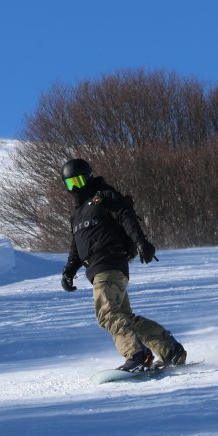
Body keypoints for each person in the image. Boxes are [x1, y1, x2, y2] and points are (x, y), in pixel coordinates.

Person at [59, 158, 186, 372]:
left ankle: (137, 354)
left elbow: (126, 216)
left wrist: (141, 242)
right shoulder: (76, 215)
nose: (76, 188)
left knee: (107, 314)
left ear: (89, 177)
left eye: (79, 181)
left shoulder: (103, 196)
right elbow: (77, 246)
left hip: (108, 264)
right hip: (103, 269)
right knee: (124, 318)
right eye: (71, 184)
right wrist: (69, 271)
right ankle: (169, 348)